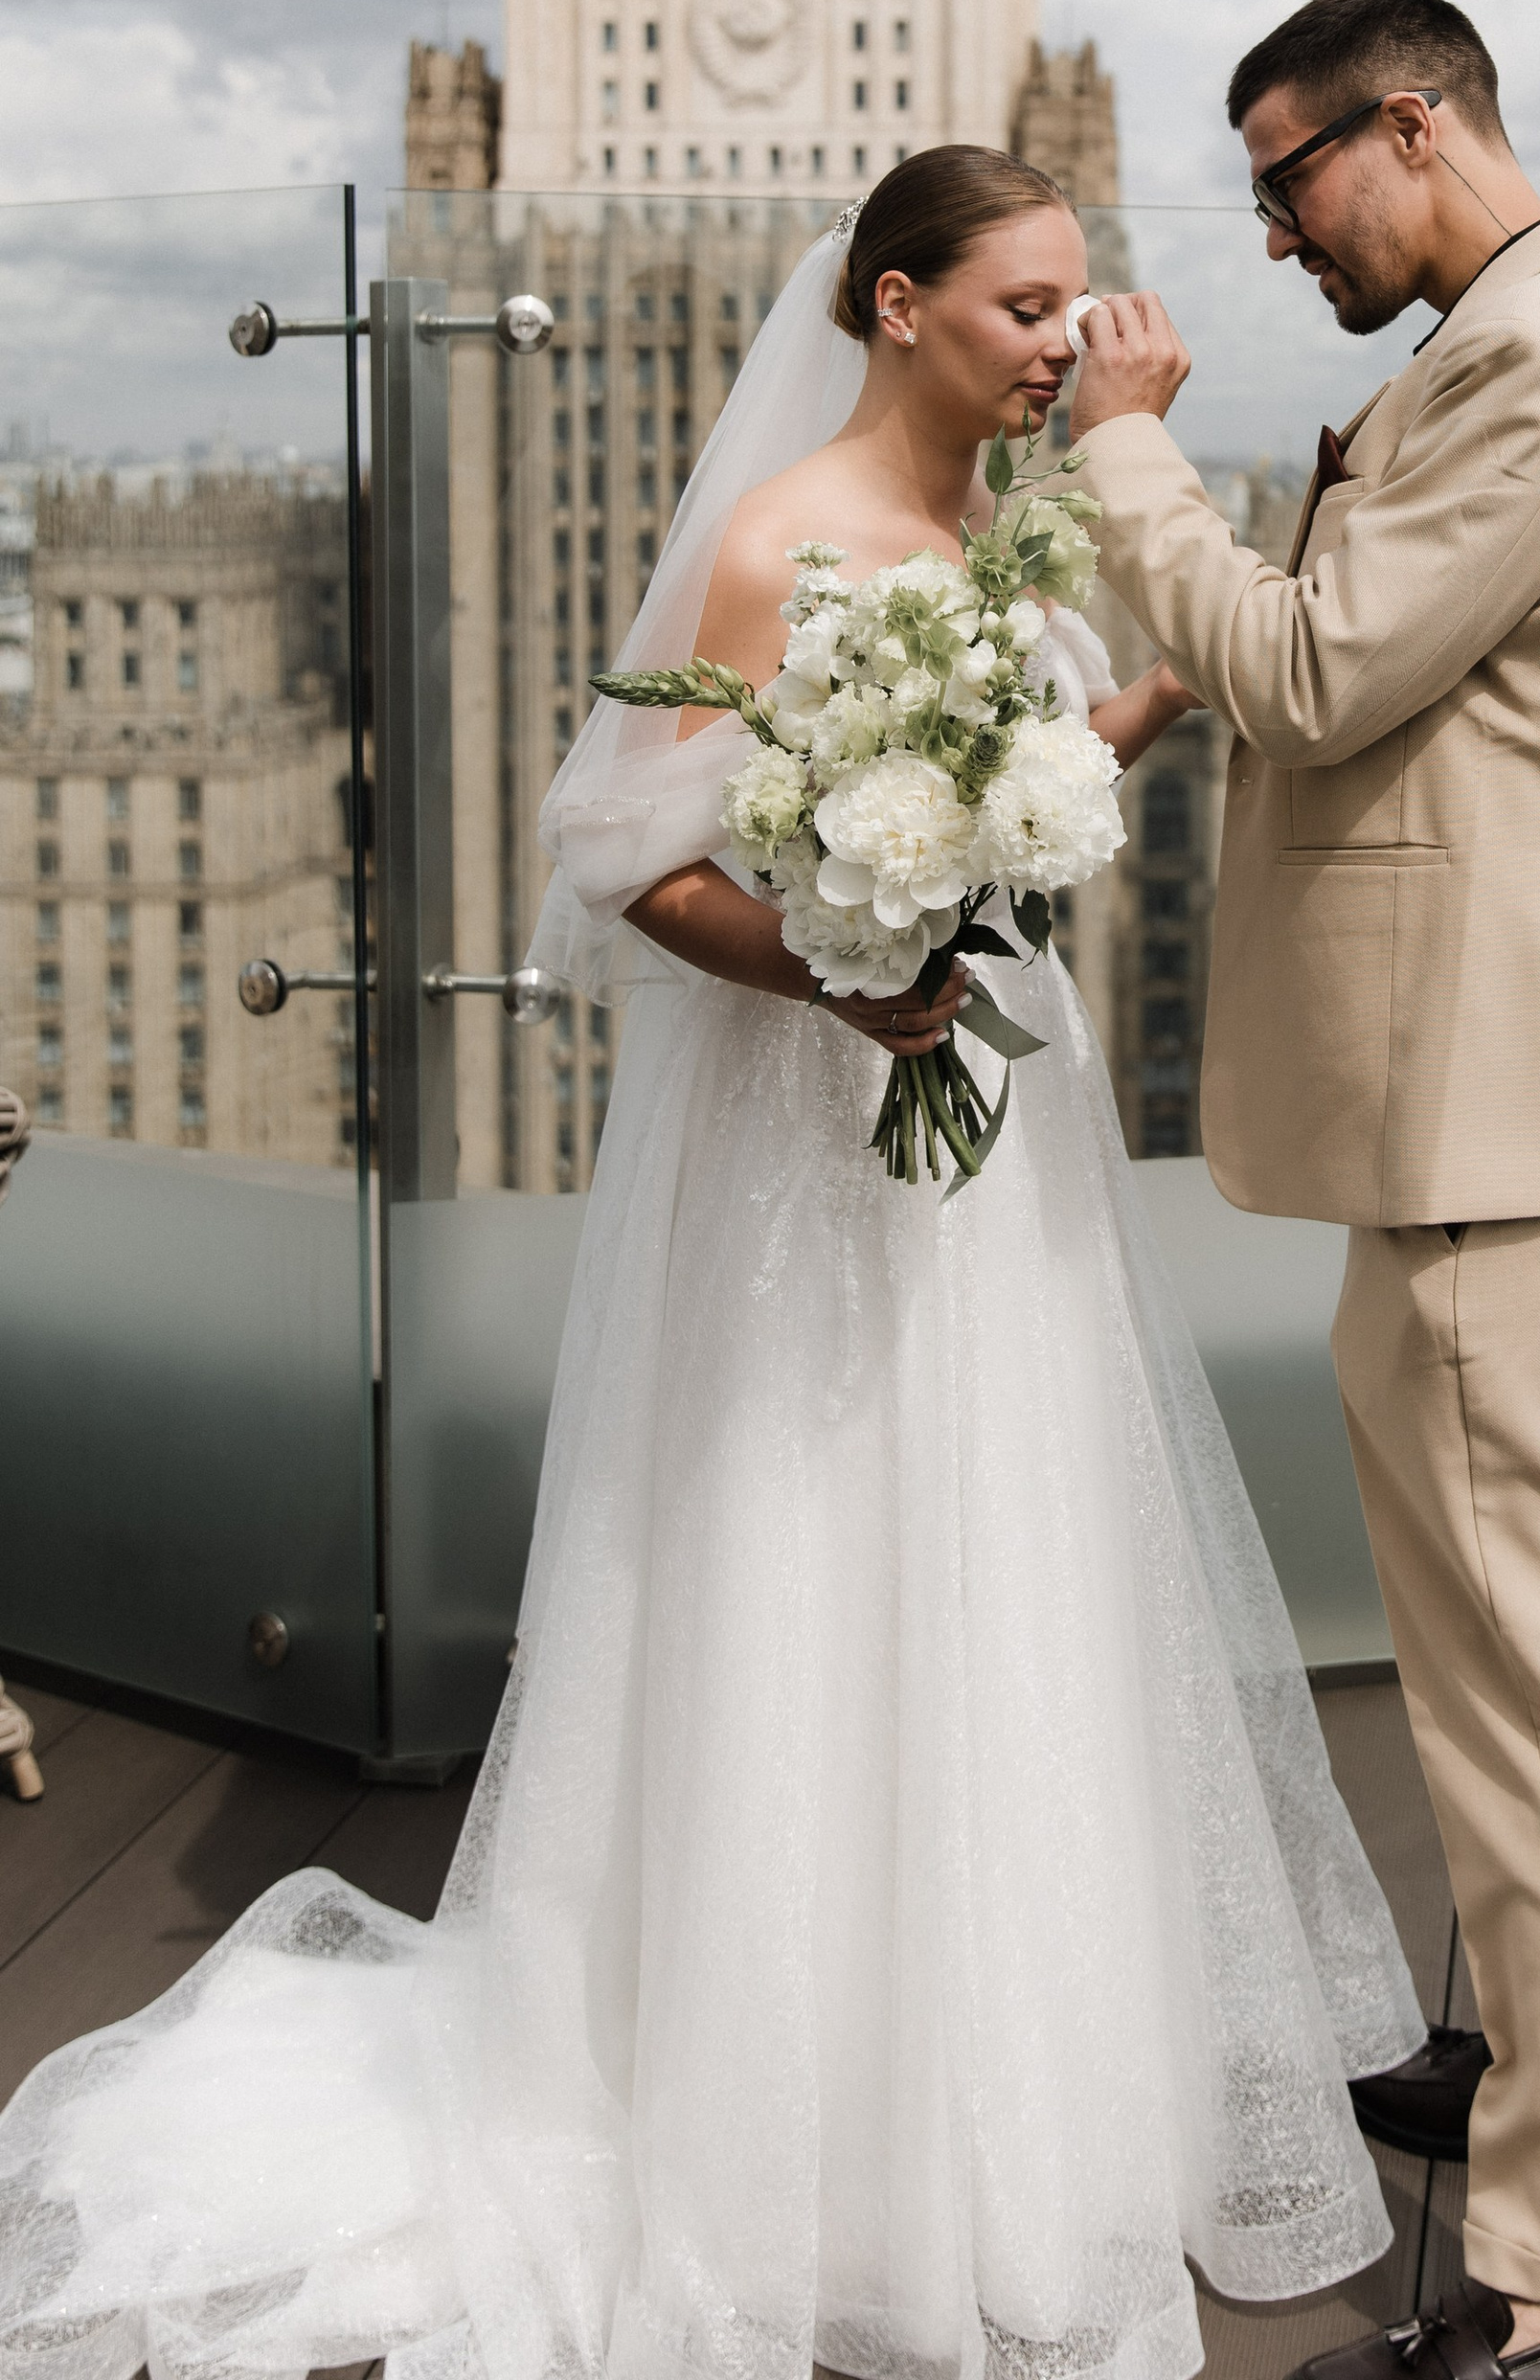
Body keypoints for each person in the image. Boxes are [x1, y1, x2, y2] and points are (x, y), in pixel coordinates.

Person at [0, 146, 1424, 2380]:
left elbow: (1018, 767)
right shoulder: (780, 544)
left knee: (1011, 1566)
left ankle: (1004, 2103)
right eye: (1025, 306)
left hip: (996, 1140)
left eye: (1076, 306)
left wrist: (1114, 737)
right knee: (804, 1561)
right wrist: (835, 976)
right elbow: (620, 862)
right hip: (812, 1155)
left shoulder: (1007, 535)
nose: (1064, 341)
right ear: (890, 306)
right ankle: (782, 2120)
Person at [1067, 0, 1540, 2380]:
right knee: (1496, 1677)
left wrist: (1126, 459)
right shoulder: (1511, 343)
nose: (1269, 235)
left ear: (1412, 123)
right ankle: (1535, 2080)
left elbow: (1311, 669)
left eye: (1285, 180)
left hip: (1512, 1112)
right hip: (1474, 1106)